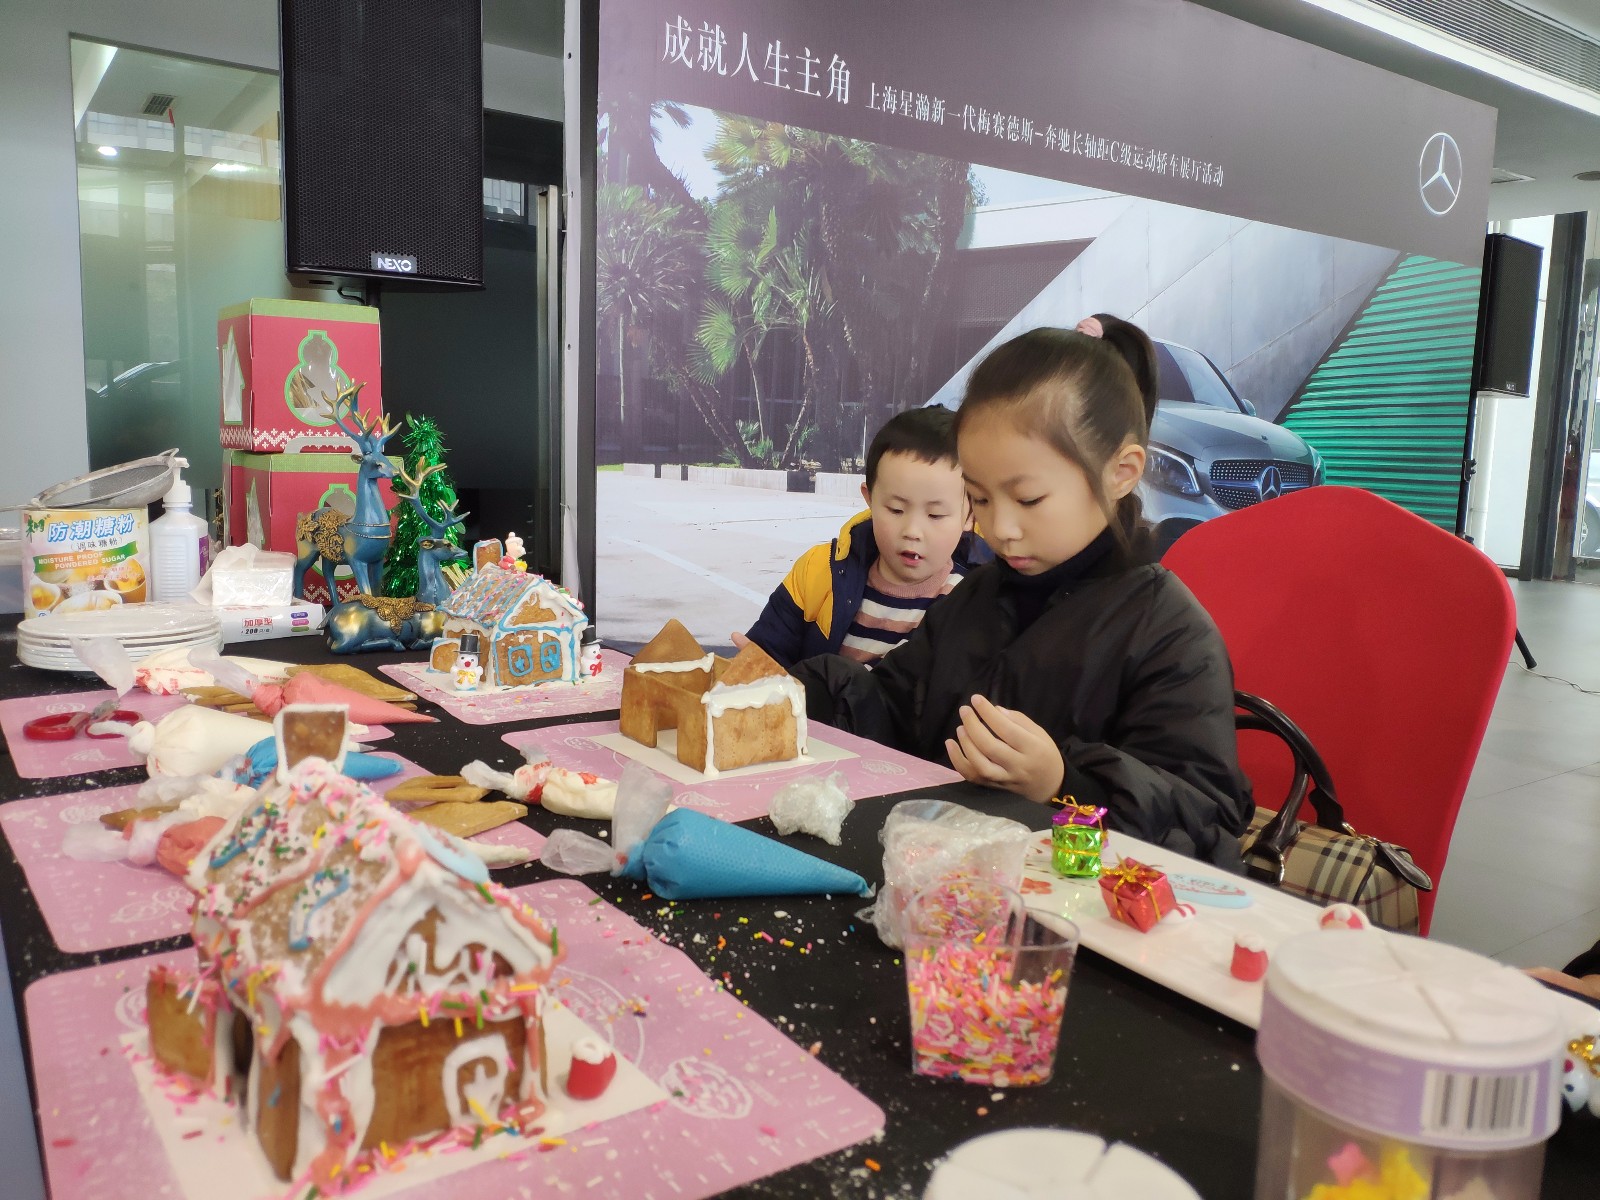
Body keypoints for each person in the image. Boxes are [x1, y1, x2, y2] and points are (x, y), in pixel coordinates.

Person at [792, 324, 1253, 868]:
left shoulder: (1168, 631)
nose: (1000, 528)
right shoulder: (979, 595)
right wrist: (800, 691)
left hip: (1069, 925)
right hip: (949, 892)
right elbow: (894, 707)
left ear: (1122, 473)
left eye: (1028, 498)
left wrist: (1064, 783)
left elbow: (1207, 818)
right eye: (980, 499)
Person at [738, 407, 991, 670]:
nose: (913, 531)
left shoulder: (976, 604)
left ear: (970, 515)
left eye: (936, 514)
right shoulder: (818, 573)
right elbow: (766, 654)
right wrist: (756, 670)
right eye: (896, 510)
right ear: (869, 499)